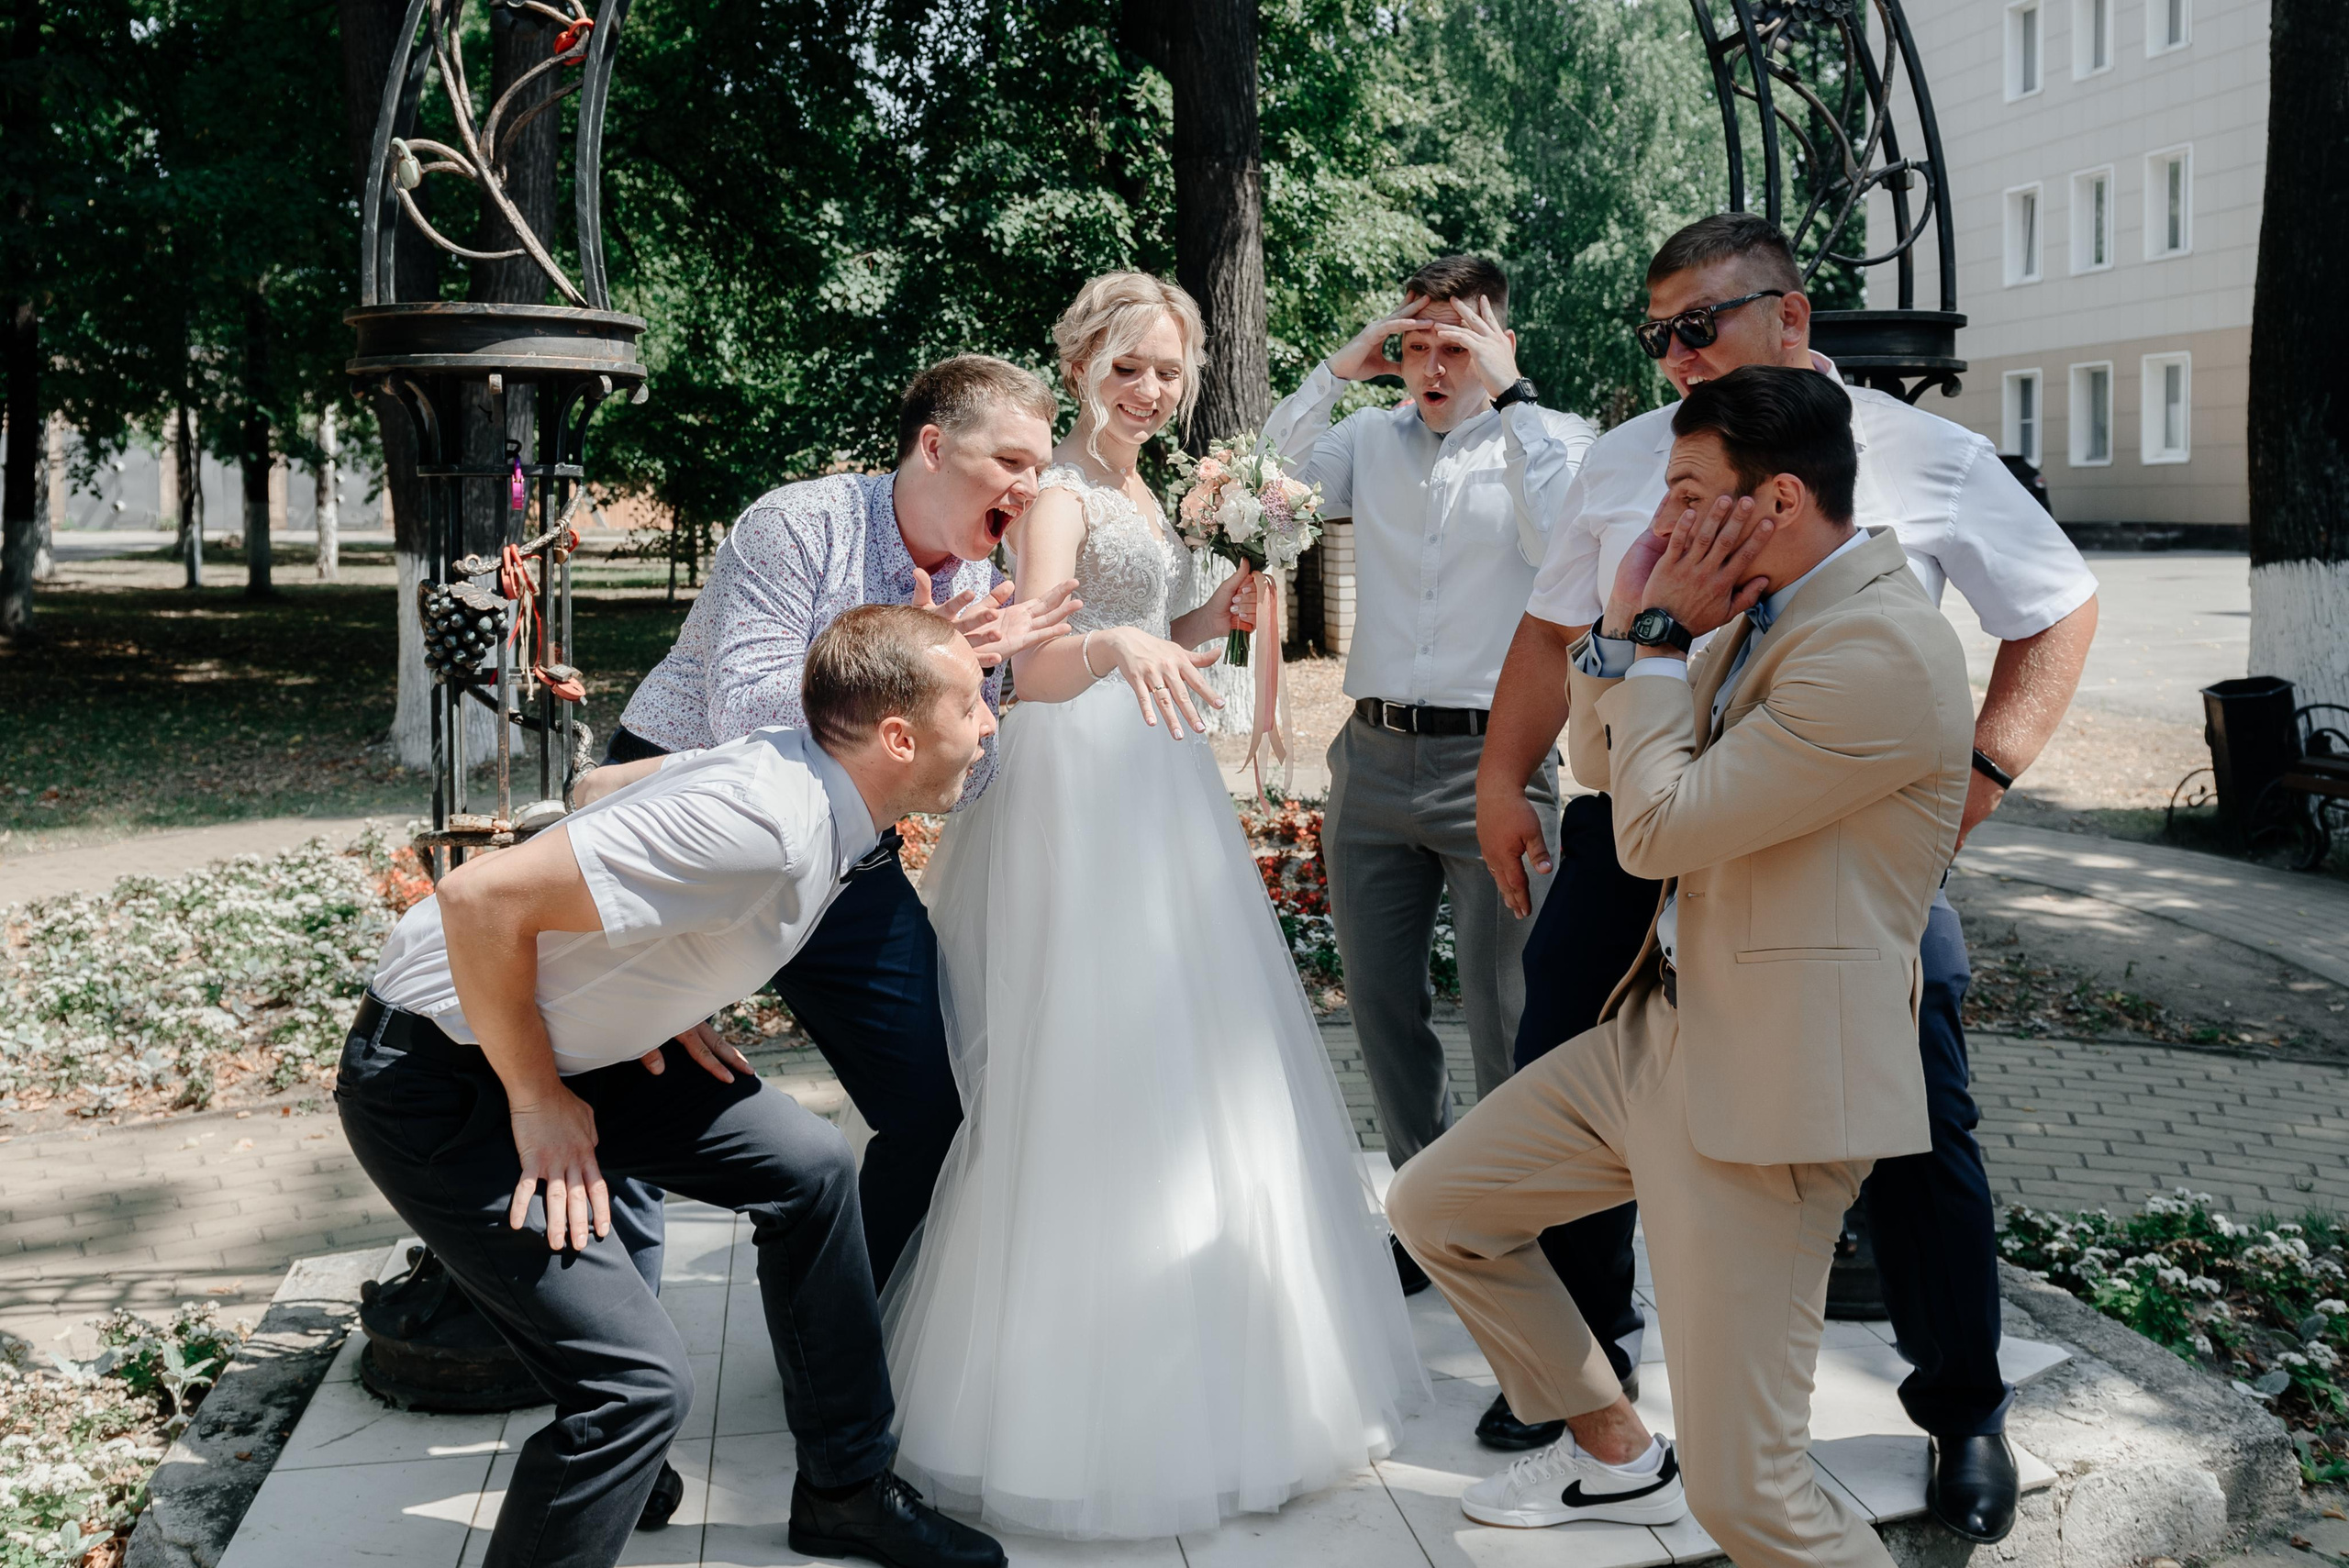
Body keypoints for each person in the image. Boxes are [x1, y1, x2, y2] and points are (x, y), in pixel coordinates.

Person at [1473, 213, 2099, 1526]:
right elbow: (1548, 629)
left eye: (1699, 325)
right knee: (1561, 1066)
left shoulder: (1922, 454)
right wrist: (1499, 783)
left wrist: (1978, 779)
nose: (1676, 358)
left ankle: (1964, 1410)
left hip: (1826, 849)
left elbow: (2055, 602)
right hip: (1638, 816)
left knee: (1924, 1115)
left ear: (1791, 317)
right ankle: (1595, 1389)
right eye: (1660, 337)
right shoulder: (1630, 460)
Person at [1393, 364, 1976, 1567]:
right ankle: (1612, 1442)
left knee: (1749, 1498)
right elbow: (1614, 769)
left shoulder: (1876, 651)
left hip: (1766, 1099)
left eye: (1686, 492)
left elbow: (1657, 829)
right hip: (1658, 1038)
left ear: (1776, 501)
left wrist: (1657, 643)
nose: (1663, 524)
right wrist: (1624, 632)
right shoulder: (1754, 612)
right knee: (1439, 1207)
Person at [882, 272, 1427, 1540]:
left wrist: (1209, 611)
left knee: (1199, 1062)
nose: (1151, 389)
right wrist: (1130, 647)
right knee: (1089, 1058)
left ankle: (1235, 1374)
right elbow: (1038, 655)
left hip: (1159, 776)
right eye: (1130, 365)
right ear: (1079, 362)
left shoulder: (1147, 493)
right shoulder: (1061, 495)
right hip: (1080, 788)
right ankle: (1056, 1390)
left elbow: (1149, 629)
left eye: (1170, 371)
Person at [340, 606, 1011, 1568]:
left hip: (587, 1052)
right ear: (899, 738)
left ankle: (845, 1489)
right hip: (442, 1078)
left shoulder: (802, 773)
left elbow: (600, 785)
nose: (989, 721)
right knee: (634, 1390)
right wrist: (536, 1098)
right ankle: (617, 1455)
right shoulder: (770, 823)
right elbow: (474, 898)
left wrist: (657, 982)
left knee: (811, 1166)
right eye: (971, 701)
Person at [596, 354, 1082, 1302]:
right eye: (1012, 462)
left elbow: (960, 784)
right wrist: (917, 652)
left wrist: (999, 687)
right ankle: (627, 1370)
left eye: (1041, 466)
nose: (1031, 489)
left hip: (842, 849)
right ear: (935, 445)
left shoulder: (982, 576)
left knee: (934, 1106)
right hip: (687, 815)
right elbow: (744, 709)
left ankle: (839, 1338)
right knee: (624, 1072)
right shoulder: (798, 522)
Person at [1260, 256, 1598, 1301]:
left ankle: (1512, 1227)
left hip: (1495, 763)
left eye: (1457, 342)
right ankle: (1427, 1211)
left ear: (1500, 345)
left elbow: (1562, 549)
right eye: (1416, 342)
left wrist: (1515, 399)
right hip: (1369, 759)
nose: (1432, 363)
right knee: (1379, 1003)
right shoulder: (1367, 440)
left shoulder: (1557, 439)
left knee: (1509, 1014)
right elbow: (1260, 498)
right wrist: (1335, 367)